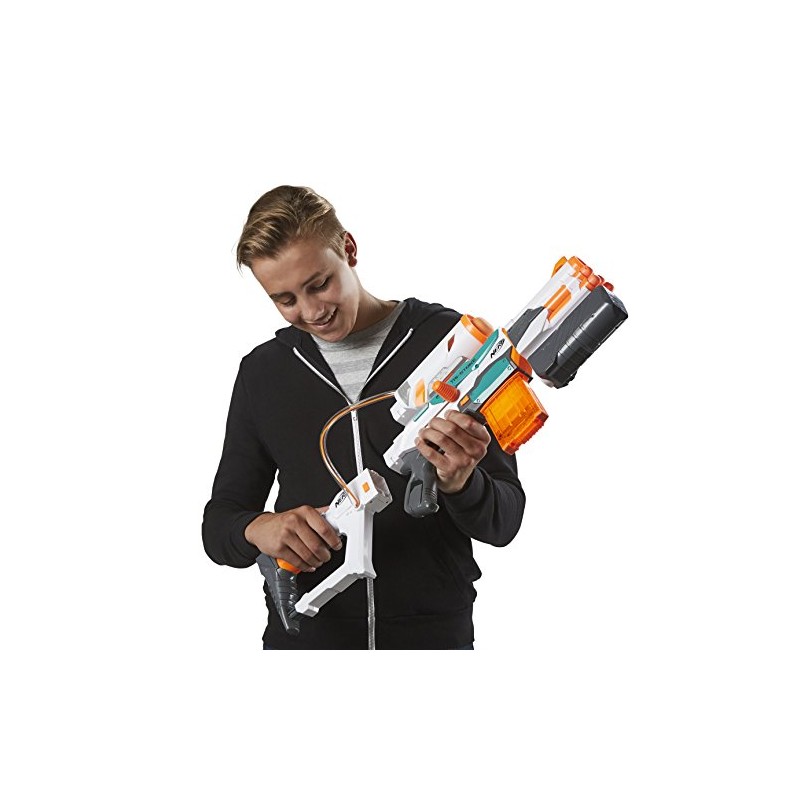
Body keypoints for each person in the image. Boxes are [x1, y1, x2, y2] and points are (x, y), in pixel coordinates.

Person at [202, 185, 526, 649]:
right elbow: (219, 524)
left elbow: (505, 519)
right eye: (285, 299)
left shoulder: (453, 344)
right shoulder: (263, 373)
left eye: (319, 284)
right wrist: (261, 529)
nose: (312, 311)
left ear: (348, 250)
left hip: (432, 640)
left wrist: (461, 483)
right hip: (306, 644)